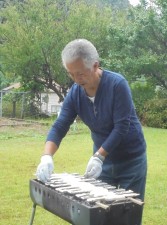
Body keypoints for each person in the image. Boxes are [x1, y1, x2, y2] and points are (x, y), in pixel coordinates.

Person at [35, 39, 147, 206]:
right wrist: (46, 156)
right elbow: (60, 126)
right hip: (101, 163)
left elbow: (121, 127)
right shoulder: (75, 93)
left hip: (130, 161)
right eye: (71, 74)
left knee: (126, 213)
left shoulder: (117, 85)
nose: (76, 79)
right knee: (100, 212)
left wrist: (98, 156)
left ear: (95, 66)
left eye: (80, 73)